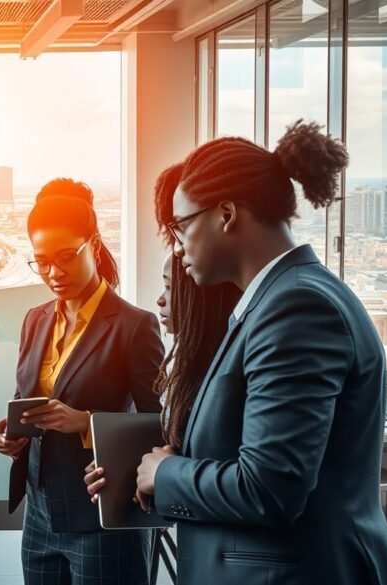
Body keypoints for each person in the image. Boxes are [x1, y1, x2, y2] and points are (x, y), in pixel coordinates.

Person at [135, 120, 387, 584]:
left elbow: (270, 488)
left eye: (181, 226)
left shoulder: (297, 308)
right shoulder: (273, 301)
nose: (179, 246)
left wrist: (168, 473)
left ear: (226, 214)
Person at [0, 178, 164, 585]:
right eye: (42, 261)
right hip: (40, 512)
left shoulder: (134, 326)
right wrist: (10, 436)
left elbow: (159, 425)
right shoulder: (35, 319)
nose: (53, 273)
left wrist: (85, 422)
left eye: (66, 256)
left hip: (100, 512)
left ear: (95, 245)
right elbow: (25, 401)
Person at [85, 162, 240, 502]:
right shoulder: (194, 363)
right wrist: (130, 468)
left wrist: (164, 474)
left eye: (170, 287)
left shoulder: (236, 353)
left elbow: (258, 481)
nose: (180, 247)